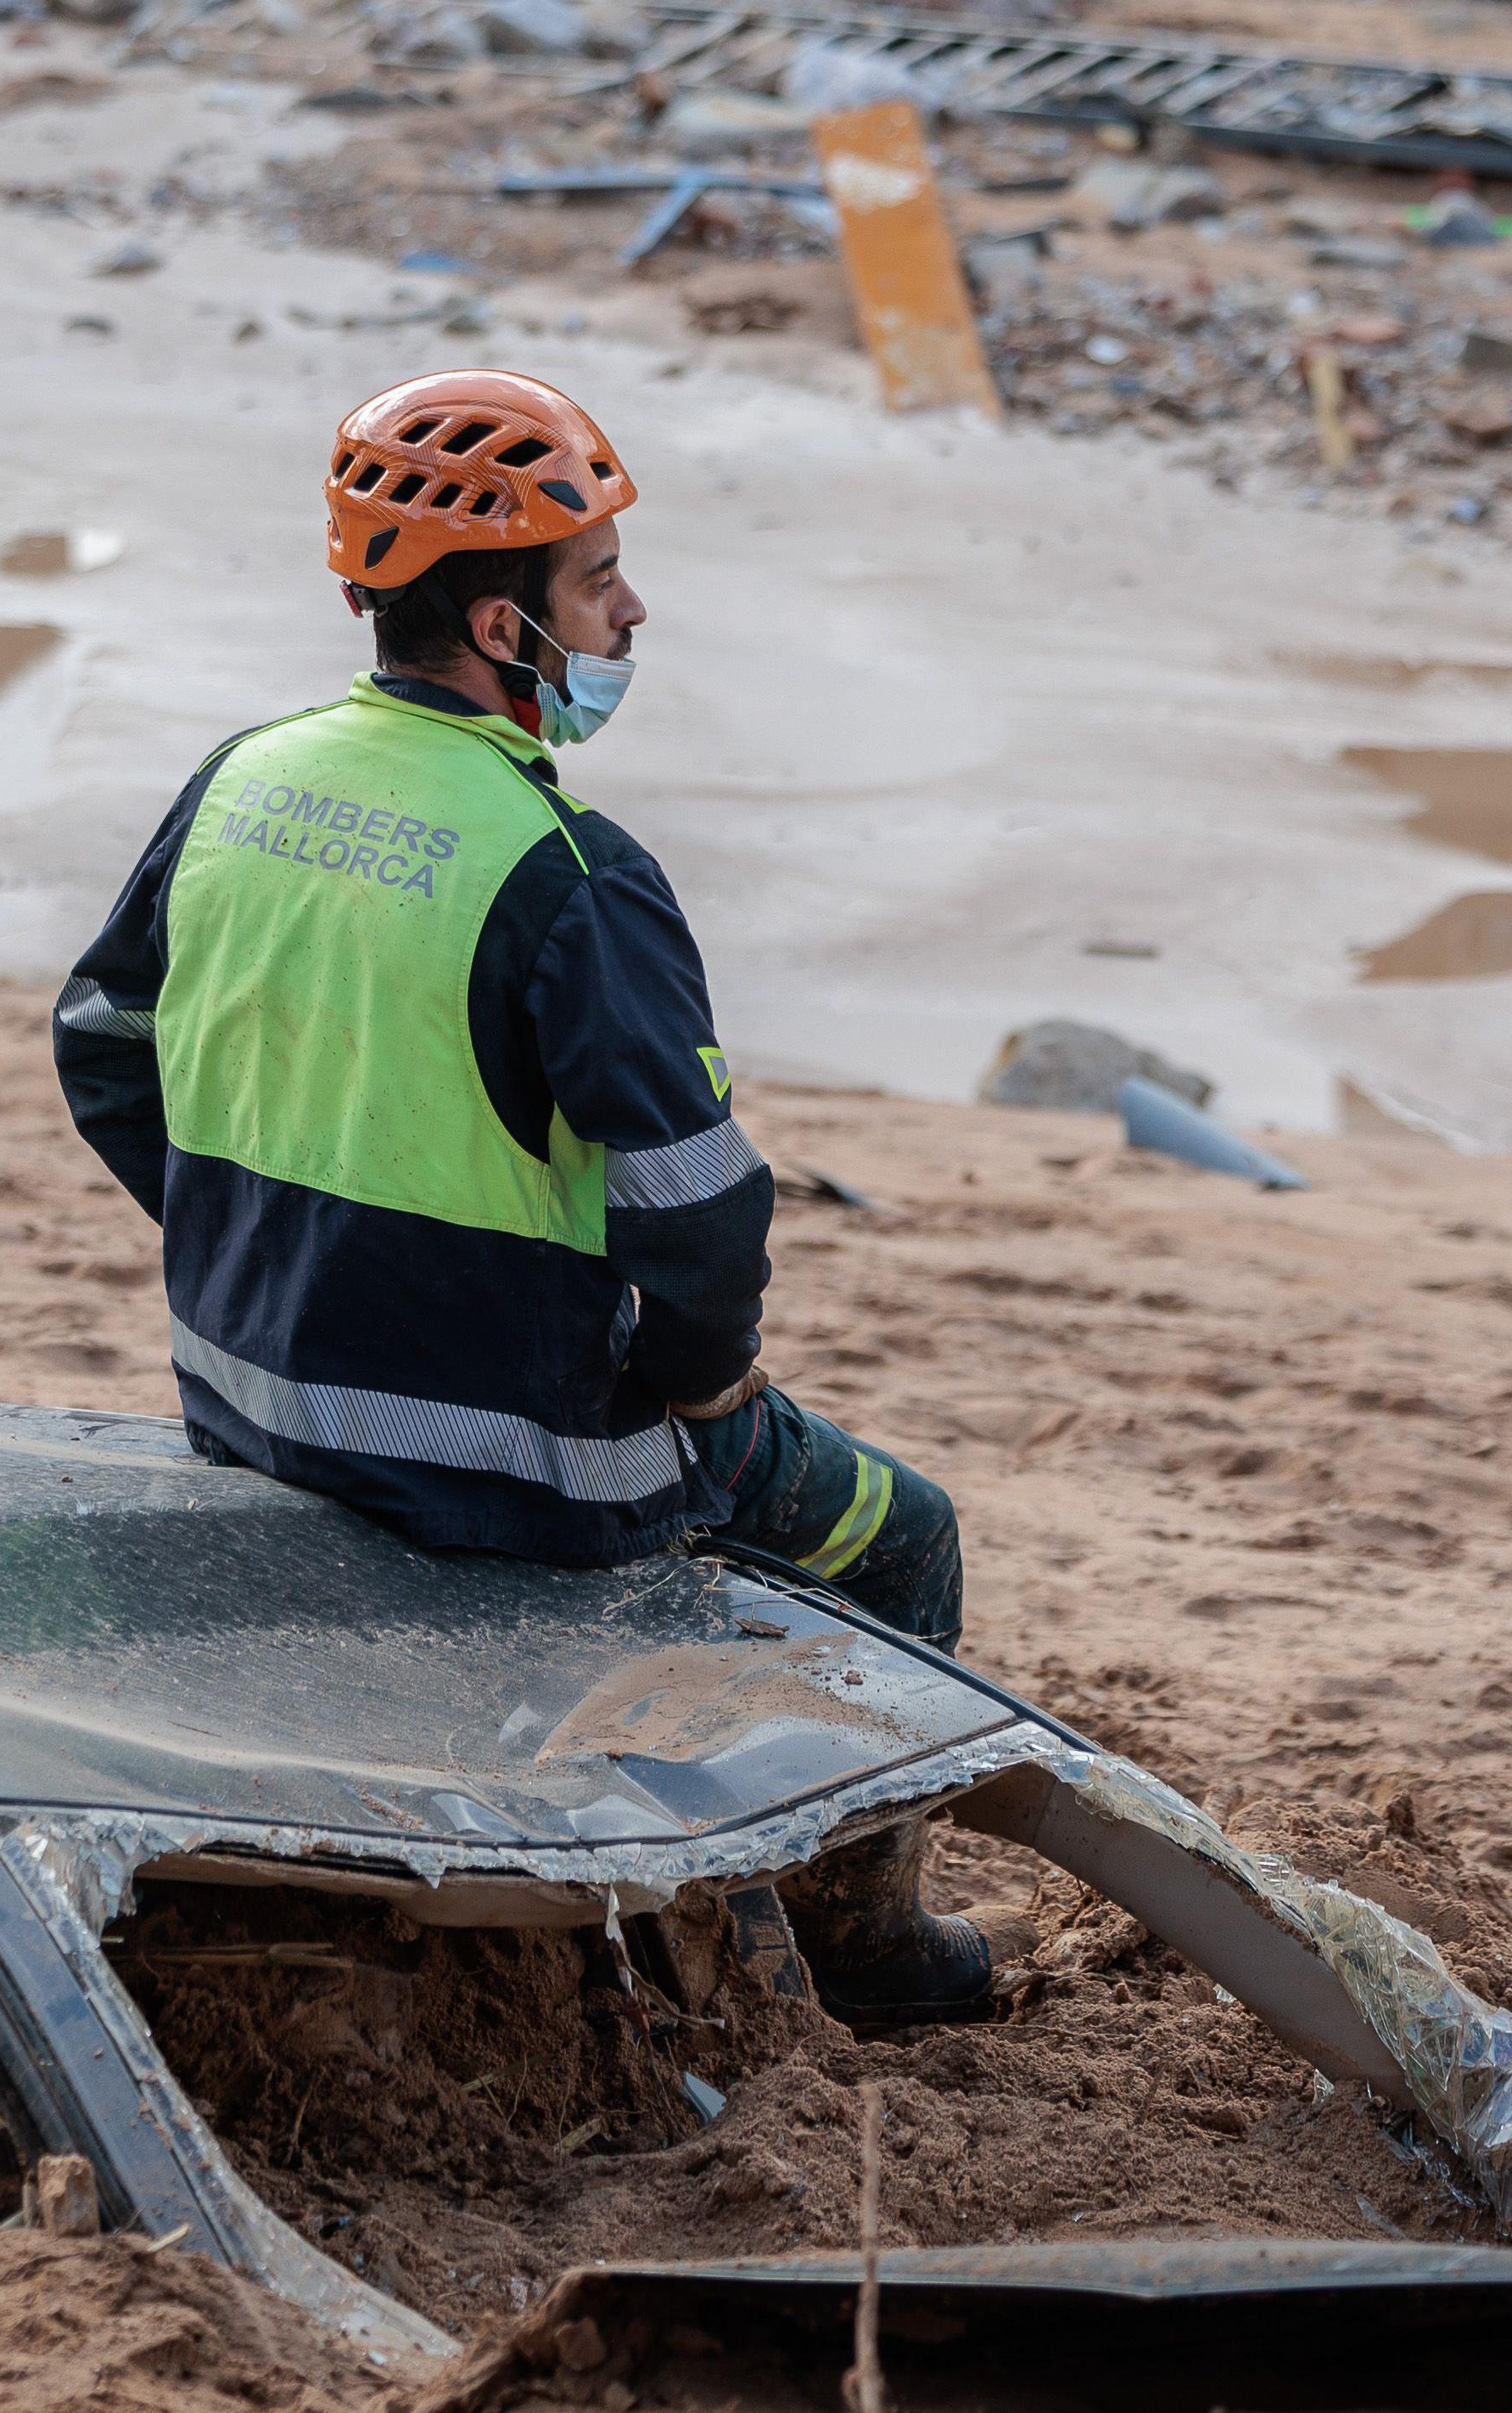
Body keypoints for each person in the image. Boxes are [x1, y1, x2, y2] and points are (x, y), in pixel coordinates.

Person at [50, 368, 994, 2020]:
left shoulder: (243, 781)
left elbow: (102, 1046)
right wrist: (702, 1387)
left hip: (250, 1398)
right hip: (523, 1465)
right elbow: (699, 1221)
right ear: (505, 629)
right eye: (598, 579)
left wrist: (260, 1248)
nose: (632, 610)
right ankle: (871, 1955)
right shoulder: (569, 872)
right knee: (903, 1537)